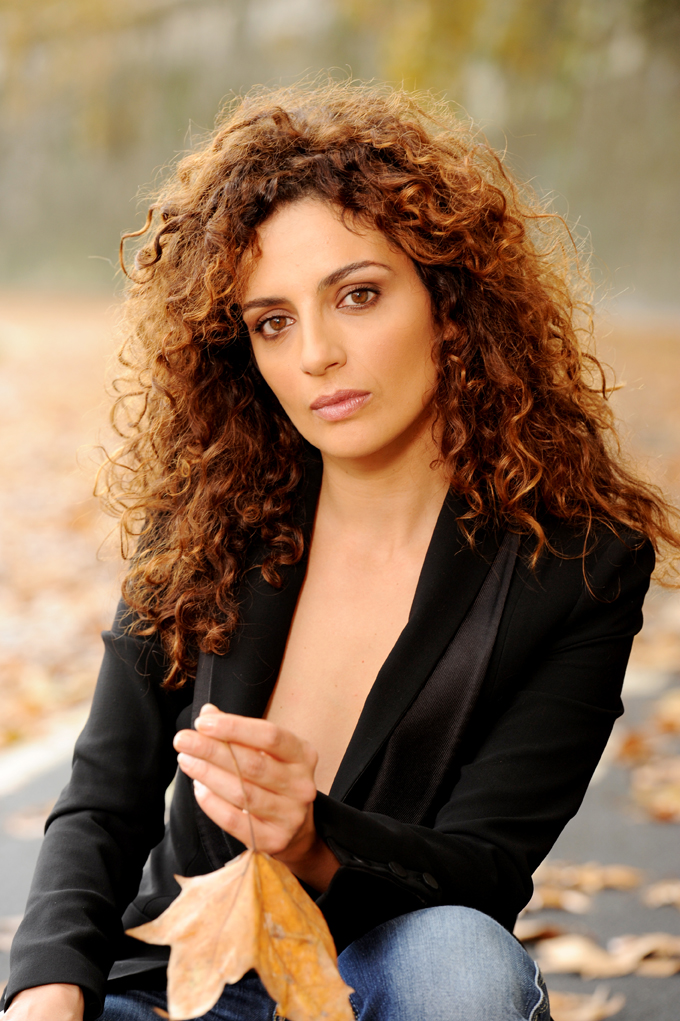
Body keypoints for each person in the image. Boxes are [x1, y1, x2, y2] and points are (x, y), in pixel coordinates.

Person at [2, 80, 676, 1021]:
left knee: (464, 961)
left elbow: (486, 865)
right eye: (273, 321)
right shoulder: (210, 522)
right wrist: (44, 991)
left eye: (357, 295)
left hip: (380, 975)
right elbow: (104, 801)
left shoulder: (576, 567)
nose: (315, 354)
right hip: (175, 990)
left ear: (449, 301)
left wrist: (314, 837)